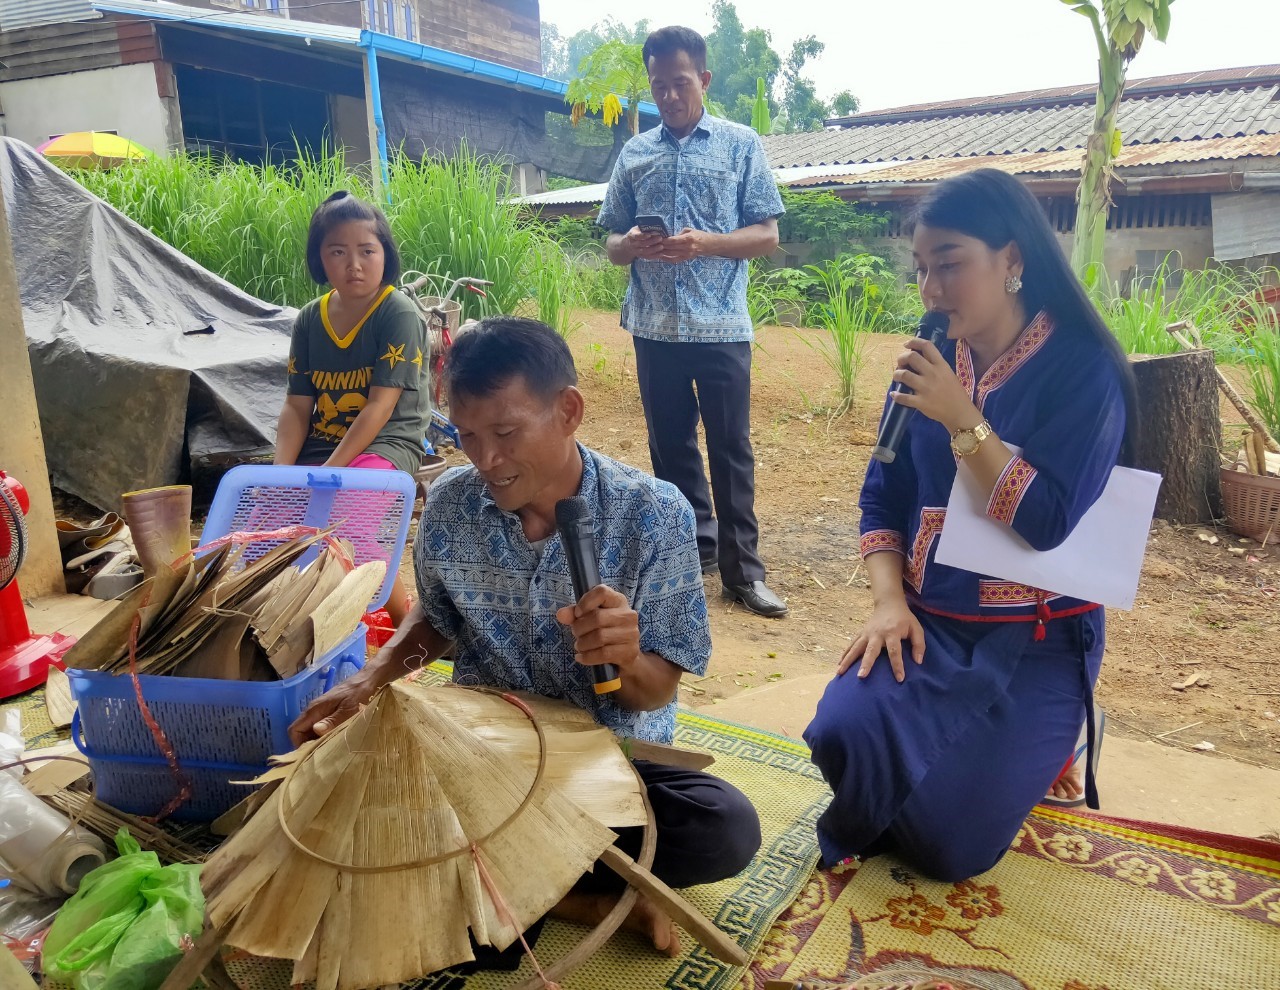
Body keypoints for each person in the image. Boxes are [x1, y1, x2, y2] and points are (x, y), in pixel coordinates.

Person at [289, 316, 761, 956]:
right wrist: (368, 681)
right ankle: (583, 900)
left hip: (609, 767)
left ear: (568, 411)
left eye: (507, 433)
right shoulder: (453, 504)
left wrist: (623, 656)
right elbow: (435, 621)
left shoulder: (654, 513)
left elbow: (654, 693)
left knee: (724, 828)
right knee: (343, 822)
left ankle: (501, 888)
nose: (487, 460)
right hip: (483, 762)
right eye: (468, 437)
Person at [803, 169, 1136, 882]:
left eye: (950, 264)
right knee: (841, 735)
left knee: (948, 851)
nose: (930, 289)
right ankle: (1002, 763)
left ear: (1012, 261)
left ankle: (1062, 734)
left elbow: (1044, 523)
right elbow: (880, 496)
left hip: (1041, 637)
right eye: (922, 269)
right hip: (933, 622)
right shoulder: (928, 361)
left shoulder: (1084, 370)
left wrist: (962, 418)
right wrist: (889, 603)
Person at [597, 25, 788, 619]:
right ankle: (693, 551)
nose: (671, 96)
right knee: (671, 450)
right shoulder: (635, 152)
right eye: (659, 87)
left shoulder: (739, 144)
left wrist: (706, 243)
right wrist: (628, 244)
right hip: (655, 327)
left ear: (702, 79)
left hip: (721, 327)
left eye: (681, 83)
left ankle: (743, 573)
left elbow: (767, 234)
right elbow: (610, 243)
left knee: (731, 450)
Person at [274, 190, 429, 627]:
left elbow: (381, 406)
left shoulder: (396, 312)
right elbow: (296, 407)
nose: (354, 264)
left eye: (367, 251)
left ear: (386, 255)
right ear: (319, 258)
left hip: (387, 443)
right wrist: (280, 474)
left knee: (351, 515)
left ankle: (406, 630)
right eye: (337, 251)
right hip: (321, 445)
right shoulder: (309, 318)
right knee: (278, 521)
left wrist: (331, 474)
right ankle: (318, 623)